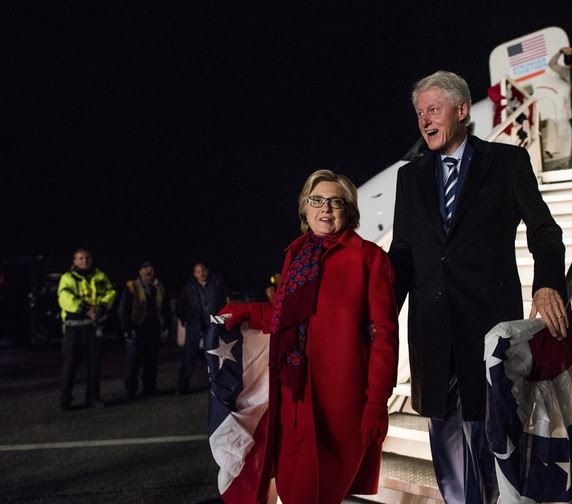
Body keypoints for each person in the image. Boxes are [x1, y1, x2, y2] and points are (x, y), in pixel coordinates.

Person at [388, 70, 568, 503]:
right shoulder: (409, 177)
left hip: (485, 329)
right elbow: (403, 254)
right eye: (419, 114)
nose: (424, 120)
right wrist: (380, 314)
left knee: (489, 437)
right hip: (431, 332)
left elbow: (545, 231)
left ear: (462, 110)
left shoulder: (507, 163)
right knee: (445, 436)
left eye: (433, 110)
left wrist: (546, 284)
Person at [218, 169, 399, 504]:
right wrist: (248, 312)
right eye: (317, 200)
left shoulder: (369, 258)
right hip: (291, 396)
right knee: (288, 489)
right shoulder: (296, 254)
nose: (325, 209)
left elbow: (386, 336)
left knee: (312, 494)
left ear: (349, 210)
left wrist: (377, 402)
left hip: (338, 405)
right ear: (305, 208)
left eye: (335, 202)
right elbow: (289, 317)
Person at [57, 248, 116, 410]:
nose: (84, 261)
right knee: (70, 366)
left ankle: (93, 397)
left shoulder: (100, 276)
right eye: (80, 258)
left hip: (93, 327)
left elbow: (110, 292)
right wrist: (86, 309)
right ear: (74, 261)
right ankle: (65, 399)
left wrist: (102, 307)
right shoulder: (67, 278)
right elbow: (64, 298)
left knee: (94, 365)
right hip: (73, 328)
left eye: (87, 257)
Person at [118, 261, 170, 399]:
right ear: (140, 272)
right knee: (133, 363)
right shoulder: (131, 288)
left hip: (153, 329)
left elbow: (166, 309)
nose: (148, 271)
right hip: (137, 329)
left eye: (150, 268)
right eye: (145, 268)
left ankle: (150, 389)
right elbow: (124, 310)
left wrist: (165, 327)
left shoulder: (159, 288)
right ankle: (131, 392)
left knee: (151, 362)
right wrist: (127, 329)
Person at [175, 262, 227, 395]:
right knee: (189, 357)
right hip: (194, 326)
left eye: (203, 270)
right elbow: (180, 306)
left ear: (207, 271)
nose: (201, 274)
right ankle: (182, 387)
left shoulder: (217, 285)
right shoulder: (189, 288)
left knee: (214, 356)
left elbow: (223, 304)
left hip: (212, 326)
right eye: (198, 272)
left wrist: (221, 322)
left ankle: (217, 386)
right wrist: (186, 319)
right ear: (194, 274)